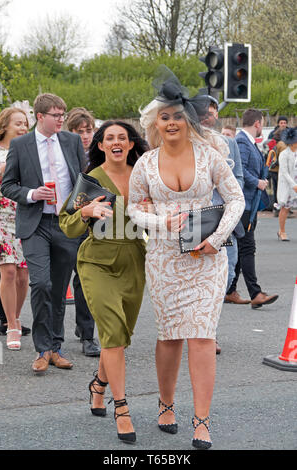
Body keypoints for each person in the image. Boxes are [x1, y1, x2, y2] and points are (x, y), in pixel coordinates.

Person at [127, 67, 245, 449]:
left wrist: (218, 239)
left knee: (201, 336)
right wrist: (162, 220)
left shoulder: (210, 156)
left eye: (178, 115)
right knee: (169, 337)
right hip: (163, 260)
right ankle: (165, 404)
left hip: (206, 259)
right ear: (154, 123)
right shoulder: (145, 164)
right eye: (165, 116)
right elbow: (133, 211)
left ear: (188, 120)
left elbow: (236, 199)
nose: (172, 122)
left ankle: (202, 420)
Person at [59, 121, 148, 444]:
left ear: (130, 144)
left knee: (120, 339)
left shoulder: (143, 176)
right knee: (111, 336)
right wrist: (87, 212)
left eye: (122, 138)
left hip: (134, 261)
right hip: (97, 261)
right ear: (100, 145)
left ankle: (98, 385)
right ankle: (121, 408)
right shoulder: (91, 180)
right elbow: (67, 224)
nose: (116, 142)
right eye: (109, 138)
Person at [1, 93, 85, 372]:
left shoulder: (71, 142)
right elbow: (8, 185)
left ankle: (56, 348)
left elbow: (83, 179)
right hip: (35, 224)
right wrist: (32, 193)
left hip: (66, 223)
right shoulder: (21, 145)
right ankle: (41, 348)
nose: (61, 119)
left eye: (63, 114)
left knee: (59, 289)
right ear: (40, 116)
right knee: (41, 284)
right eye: (56, 115)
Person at [201, 99, 246, 352]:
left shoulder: (228, 142)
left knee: (226, 275)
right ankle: (204, 332)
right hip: (198, 219)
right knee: (200, 276)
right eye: (202, 110)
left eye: (212, 109)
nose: (208, 114)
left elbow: (237, 175)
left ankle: (207, 328)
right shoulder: (189, 143)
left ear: (217, 113)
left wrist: (230, 193)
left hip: (225, 218)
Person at [225, 109, 279, 309]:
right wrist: (256, 182)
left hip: (250, 203)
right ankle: (255, 293)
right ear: (258, 124)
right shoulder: (241, 141)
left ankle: (230, 290)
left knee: (241, 247)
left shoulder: (246, 142)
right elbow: (239, 170)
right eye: (262, 124)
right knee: (247, 247)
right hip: (245, 203)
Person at [65, 108, 100, 357]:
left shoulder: (99, 155)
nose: (86, 136)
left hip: (92, 222)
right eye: (80, 132)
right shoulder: (63, 153)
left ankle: (88, 334)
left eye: (89, 131)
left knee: (85, 278)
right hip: (67, 218)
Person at [0, 108, 30, 350]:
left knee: (22, 276)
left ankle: (16, 316)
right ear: (5, 125)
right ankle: (11, 325)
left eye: (25, 124)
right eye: (18, 123)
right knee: (7, 271)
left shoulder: (29, 151)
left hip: (23, 215)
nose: (22, 127)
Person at [276, 127, 297, 241]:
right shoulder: (284, 154)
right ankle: (282, 231)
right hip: (287, 185)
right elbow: (284, 172)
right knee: (285, 207)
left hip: (295, 182)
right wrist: (293, 185)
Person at [266, 129, 287, 217]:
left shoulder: (273, 142)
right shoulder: (282, 144)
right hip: (278, 171)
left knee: (275, 190)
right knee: (281, 191)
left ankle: (276, 208)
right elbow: (283, 159)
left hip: (272, 170)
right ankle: (281, 210)